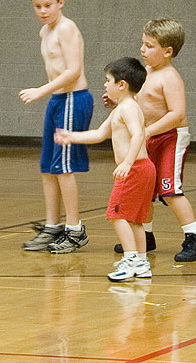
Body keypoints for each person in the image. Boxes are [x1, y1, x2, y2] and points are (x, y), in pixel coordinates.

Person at [107, 19, 196, 262]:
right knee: (145, 189)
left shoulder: (170, 77)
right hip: (148, 136)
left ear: (167, 51)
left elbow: (177, 114)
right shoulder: (147, 73)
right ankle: (147, 234)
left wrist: (150, 131)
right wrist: (115, 101)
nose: (142, 50)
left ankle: (194, 237)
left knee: (170, 189)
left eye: (149, 46)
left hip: (170, 138)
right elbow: (137, 102)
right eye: (142, 44)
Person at [55, 57, 156, 281]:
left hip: (135, 169)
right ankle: (141, 261)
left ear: (122, 85)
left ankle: (130, 259)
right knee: (134, 219)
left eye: (108, 80)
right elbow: (100, 134)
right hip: (143, 169)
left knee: (115, 215)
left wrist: (127, 162)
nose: (104, 84)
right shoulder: (124, 107)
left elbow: (139, 134)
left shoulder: (128, 108)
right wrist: (71, 136)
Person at [20, 0, 94, 253]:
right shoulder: (45, 32)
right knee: (48, 167)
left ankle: (75, 229)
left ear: (60, 3)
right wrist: (48, 95)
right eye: (37, 6)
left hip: (74, 98)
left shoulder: (67, 28)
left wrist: (40, 91)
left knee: (63, 167)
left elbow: (73, 70)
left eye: (48, 5)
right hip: (58, 99)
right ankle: (53, 225)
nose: (42, 11)